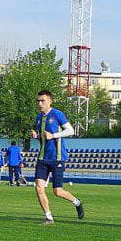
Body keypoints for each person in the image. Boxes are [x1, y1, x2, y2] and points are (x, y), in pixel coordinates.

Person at [31, 89, 84, 224]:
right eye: (38, 101)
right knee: (38, 187)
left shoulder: (57, 114)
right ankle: (48, 217)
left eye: (42, 100)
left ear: (50, 101)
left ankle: (77, 202)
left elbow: (71, 131)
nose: (40, 103)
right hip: (43, 158)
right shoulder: (38, 118)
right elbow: (44, 138)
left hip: (57, 157)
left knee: (57, 191)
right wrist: (37, 136)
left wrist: (53, 135)